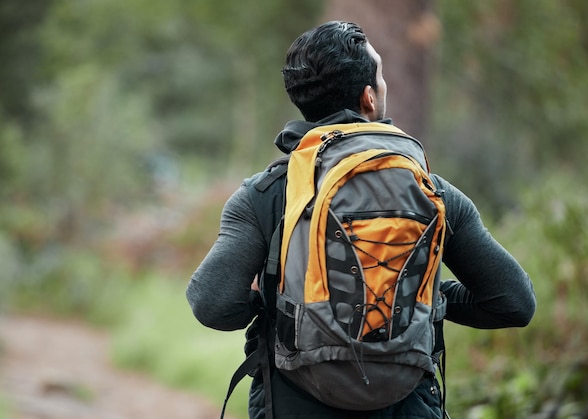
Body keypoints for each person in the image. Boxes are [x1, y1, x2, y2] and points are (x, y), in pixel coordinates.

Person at [186, 21, 536, 419]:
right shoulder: (432, 191)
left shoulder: (264, 196)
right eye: (381, 75)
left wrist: (280, 307)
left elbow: (211, 303)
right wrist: (417, 299)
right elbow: (513, 303)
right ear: (368, 98)